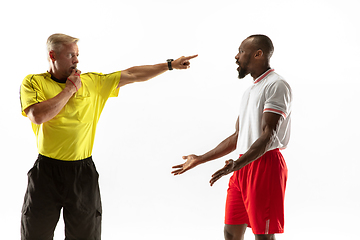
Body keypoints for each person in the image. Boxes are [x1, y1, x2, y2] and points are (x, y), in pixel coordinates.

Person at [20, 33, 197, 240]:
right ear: (53, 55)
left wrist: (169, 65)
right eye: (70, 55)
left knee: (85, 235)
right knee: (35, 234)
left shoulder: (92, 82)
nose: (76, 60)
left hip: (82, 173)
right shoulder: (33, 82)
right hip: (46, 172)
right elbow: (38, 116)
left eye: (77, 55)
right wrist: (69, 90)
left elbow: (132, 74)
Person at [172, 34, 292, 240]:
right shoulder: (250, 91)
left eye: (241, 51)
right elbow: (238, 136)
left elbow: (268, 136)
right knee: (230, 231)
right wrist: (201, 158)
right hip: (243, 164)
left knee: (262, 235)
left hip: (265, 164)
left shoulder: (276, 85)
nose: (236, 57)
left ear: (258, 54)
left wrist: (237, 164)